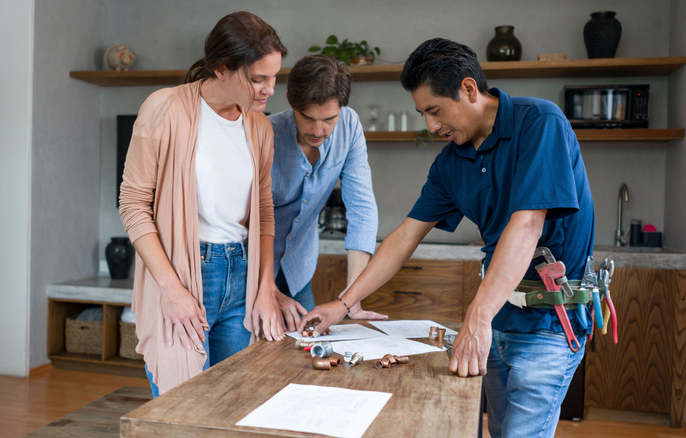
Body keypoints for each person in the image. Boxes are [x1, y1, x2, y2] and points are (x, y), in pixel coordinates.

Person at [298, 38, 595, 437]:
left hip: (549, 325)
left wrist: (477, 316)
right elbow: (404, 237)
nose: (431, 126)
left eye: (435, 111)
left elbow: (527, 226)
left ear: (469, 89)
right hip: (500, 319)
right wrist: (344, 303)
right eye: (423, 114)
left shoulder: (540, 123)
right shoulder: (450, 163)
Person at [118, 11, 288, 398]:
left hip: (242, 275)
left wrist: (264, 288)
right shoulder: (164, 108)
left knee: (236, 403)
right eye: (258, 79)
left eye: (274, 77)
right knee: (183, 408)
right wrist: (171, 290)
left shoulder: (260, 127)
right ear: (221, 68)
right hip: (187, 274)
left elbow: (264, 212)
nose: (269, 90)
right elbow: (132, 204)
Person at [267, 54, 386, 330]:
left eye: (329, 119)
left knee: (305, 354)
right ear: (290, 102)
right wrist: (268, 291)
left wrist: (351, 296)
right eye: (308, 118)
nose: (318, 130)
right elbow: (246, 222)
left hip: (298, 268)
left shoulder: (349, 126)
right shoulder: (266, 134)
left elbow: (362, 209)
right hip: (252, 271)